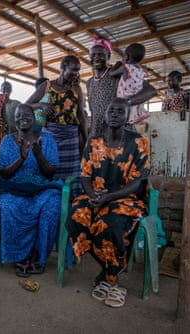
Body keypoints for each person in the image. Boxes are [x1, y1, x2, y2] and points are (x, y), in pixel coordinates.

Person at [66, 97, 150, 308]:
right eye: (111, 110)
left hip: (125, 198)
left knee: (108, 225)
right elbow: (85, 176)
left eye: (120, 111)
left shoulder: (139, 142)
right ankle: (110, 272)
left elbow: (137, 182)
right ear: (103, 115)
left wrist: (107, 198)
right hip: (95, 194)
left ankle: (110, 277)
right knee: (77, 216)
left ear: (128, 116)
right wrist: (94, 196)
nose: (114, 114)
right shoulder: (94, 142)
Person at [0, 104, 62, 277]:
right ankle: (20, 255)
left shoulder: (47, 139)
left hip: (42, 189)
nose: (22, 118)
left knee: (53, 204)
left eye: (26, 115)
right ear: (13, 120)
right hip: (15, 188)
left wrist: (39, 156)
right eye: (17, 116)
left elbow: (50, 173)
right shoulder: (7, 141)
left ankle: (38, 255)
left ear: (34, 119)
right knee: (5, 204)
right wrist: (21, 158)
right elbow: (3, 173)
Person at [26, 55, 88, 197]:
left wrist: (87, 140)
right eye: (73, 70)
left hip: (71, 139)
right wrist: (41, 105)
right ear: (63, 68)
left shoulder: (76, 89)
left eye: (78, 71)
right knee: (50, 170)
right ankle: (50, 201)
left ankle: (71, 203)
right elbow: (26, 105)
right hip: (50, 137)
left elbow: (82, 118)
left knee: (72, 175)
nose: (76, 74)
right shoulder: (47, 86)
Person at [86, 35, 157, 137]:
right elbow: (94, 112)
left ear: (108, 57)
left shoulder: (119, 73)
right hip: (98, 134)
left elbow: (151, 91)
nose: (96, 57)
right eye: (93, 55)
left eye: (101, 54)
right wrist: (91, 136)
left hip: (121, 133)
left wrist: (127, 102)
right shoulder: (89, 83)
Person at [109, 43, 150, 127]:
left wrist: (117, 65)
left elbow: (111, 73)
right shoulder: (142, 71)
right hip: (135, 100)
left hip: (123, 99)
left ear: (126, 57)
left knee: (122, 118)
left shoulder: (125, 68)